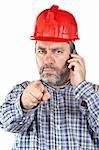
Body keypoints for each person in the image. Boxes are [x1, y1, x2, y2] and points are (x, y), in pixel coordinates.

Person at [0, 5, 99, 150]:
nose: (47, 60)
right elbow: (6, 123)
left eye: (57, 51)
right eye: (41, 51)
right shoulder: (23, 90)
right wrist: (23, 104)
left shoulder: (93, 93)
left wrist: (83, 88)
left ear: (73, 55)